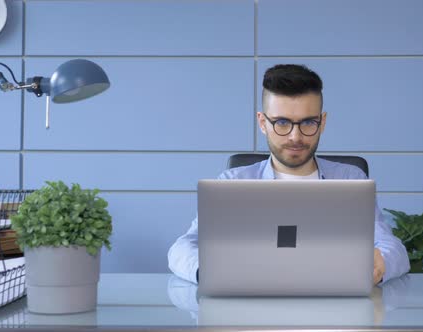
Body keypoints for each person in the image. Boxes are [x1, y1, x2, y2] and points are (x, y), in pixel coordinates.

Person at [168, 64, 410, 285]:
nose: (295, 136)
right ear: (262, 123)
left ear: (322, 122)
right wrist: (208, 272)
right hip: (251, 308)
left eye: (308, 123)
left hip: (333, 307)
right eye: (282, 123)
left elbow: (392, 247)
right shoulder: (233, 183)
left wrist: (380, 265)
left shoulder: (351, 179)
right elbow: (183, 246)